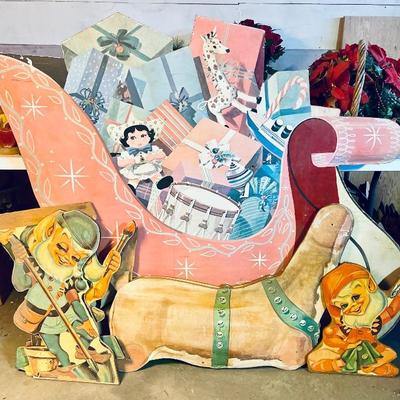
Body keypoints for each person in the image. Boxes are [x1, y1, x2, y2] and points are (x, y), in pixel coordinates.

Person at [0, 210, 121, 376]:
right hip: (45, 320)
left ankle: (84, 350)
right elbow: (20, 285)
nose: (67, 259)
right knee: (55, 347)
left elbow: (75, 299)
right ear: (51, 231)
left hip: (67, 313)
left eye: (75, 258)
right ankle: (65, 366)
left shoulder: (69, 277)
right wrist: (20, 261)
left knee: (88, 330)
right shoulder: (35, 266)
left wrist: (86, 320)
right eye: (62, 248)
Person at [117, 123, 173, 193]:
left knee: (155, 175)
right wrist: (129, 161)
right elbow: (120, 163)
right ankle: (131, 187)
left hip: (151, 167)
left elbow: (162, 155)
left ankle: (160, 182)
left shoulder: (152, 148)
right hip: (136, 170)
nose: (139, 140)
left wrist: (154, 156)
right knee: (134, 180)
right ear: (126, 141)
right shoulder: (127, 153)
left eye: (143, 136)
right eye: (132, 138)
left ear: (149, 136)